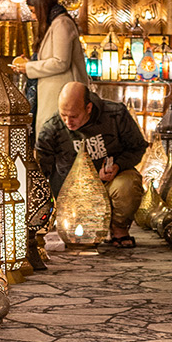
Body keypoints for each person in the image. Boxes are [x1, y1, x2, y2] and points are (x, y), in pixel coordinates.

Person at [36, 81, 147, 247]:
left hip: (111, 181)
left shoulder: (115, 115)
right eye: (63, 115)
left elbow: (137, 147)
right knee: (81, 238)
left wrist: (117, 165)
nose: (68, 122)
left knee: (127, 185)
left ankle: (118, 229)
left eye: (73, 116)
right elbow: (40, 170)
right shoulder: (52, 128)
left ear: (88, 108)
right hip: (74, 194)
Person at [11, 0, 86, 135]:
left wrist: (29, 67)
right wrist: (30, 63)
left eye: (34, 11)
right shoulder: (56, 24)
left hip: (61, 93)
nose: (33, 17)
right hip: (52, 93)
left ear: (41, 7)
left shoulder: (62, 24)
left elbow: (60, 62)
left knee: (54, 138)